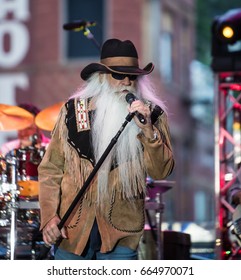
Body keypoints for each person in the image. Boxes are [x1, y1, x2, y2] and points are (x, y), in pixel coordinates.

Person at [38, 38, 175, 260]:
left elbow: (161, 172)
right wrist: (49, 217)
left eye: (133, 76)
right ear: (102, 77)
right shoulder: (74, 111)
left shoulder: (153, 115)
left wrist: (148, 132)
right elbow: (51, 169)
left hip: (121, 232)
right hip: (72, 229)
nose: (127, 82)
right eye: (119, 75)